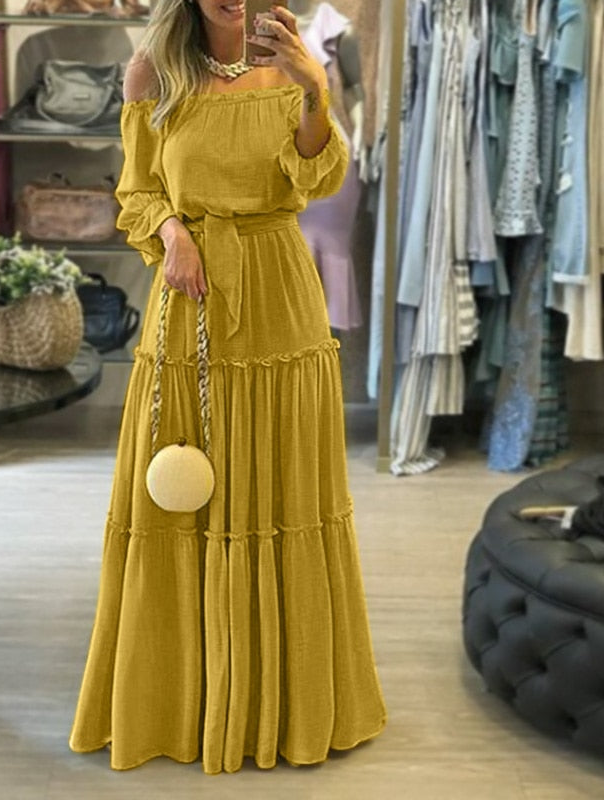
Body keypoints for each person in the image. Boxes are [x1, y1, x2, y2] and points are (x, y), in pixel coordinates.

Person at [68, 0, 387, 775]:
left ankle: (284, 701)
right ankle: (177, 699)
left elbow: (320, 176)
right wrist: (173, 232)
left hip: (279, 299)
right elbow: (137, 192)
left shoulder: (294, 67)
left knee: (283, 494)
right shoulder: (153, 72)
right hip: (187, 300)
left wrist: (313, 88)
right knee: (177, 492)